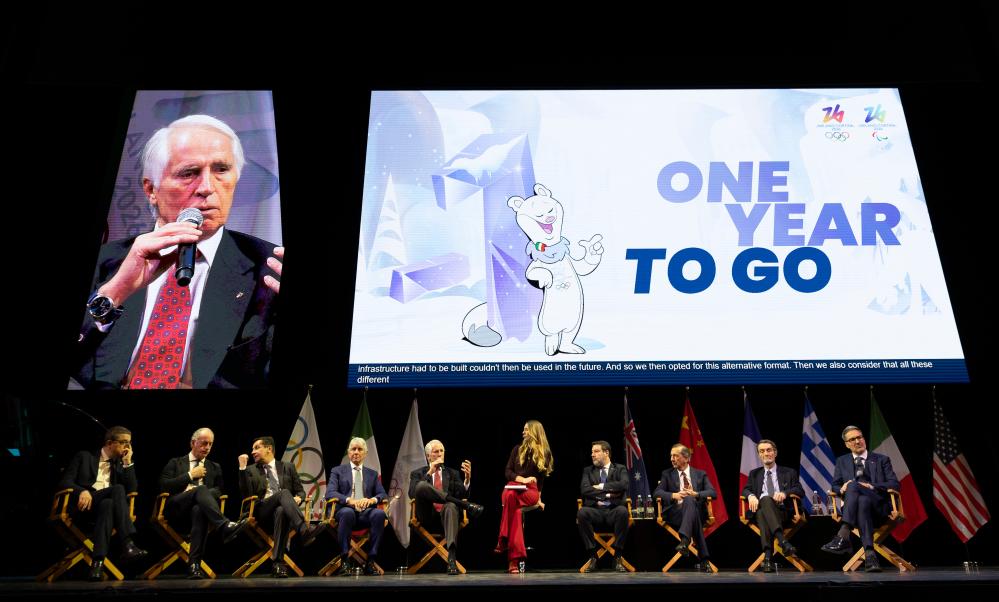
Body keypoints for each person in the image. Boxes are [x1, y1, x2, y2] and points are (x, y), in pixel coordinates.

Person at [74, 114, 283, 390]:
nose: (207, 188)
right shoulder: (105, 262)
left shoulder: (270, 269)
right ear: (151, 189)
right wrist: (115, 292)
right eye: (189, 173)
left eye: (221, 169)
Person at [56, 426, 148, 581]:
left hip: (105, 512)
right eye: (123, 442)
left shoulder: (120, 464)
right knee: (117, 488)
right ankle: (127, 543)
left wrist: (127, 463)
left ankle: (97, 565)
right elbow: (64, 482)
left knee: (108, 505)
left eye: (130, 443)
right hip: (83, 507)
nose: (127, 447)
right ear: (110, 443)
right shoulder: (84, 457)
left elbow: (132, 490)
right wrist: (82, 491)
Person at [158, 427, 247, 578]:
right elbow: (163, 485)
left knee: (199, 509)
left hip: (201, 511)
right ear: (193, 443)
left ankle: (194, 565)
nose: (207, 447)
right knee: (200, 490)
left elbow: (219, 490)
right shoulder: (175, 462)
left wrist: (201, 494)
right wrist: (189, 475)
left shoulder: (214, 467)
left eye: (210, 444)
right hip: (177, 509)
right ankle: (224, 525)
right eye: (204, 443)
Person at [238, 436, 326, 578]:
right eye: (252, 449)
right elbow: (246, 494)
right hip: (261, 512)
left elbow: (301, 491)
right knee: (284, 493)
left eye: (257, 448)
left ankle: (278, 564)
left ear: (269, 449)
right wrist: (242, 468)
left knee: (281, 510)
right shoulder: (250, 470)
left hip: (283, 512)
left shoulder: (287, 467)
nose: (252, 452)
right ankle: (304, 530)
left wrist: (299, 498)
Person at [820, 426, 899, 572]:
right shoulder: (842, 461)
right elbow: (835, 486)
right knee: (862, 501)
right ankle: (870, 556)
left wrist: (870, 486)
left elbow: (894, 484)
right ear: (847, 444)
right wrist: (842, 488)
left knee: (854, 486)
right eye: (852, 439)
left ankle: (843, 534)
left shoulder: (881, 459)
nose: (857, 441)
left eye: (859, 437)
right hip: (855, 511)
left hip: (879, 508)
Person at [407, 439, 484, 575]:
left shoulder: (452, 473)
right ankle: (467, 506)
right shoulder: (418, 473)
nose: (440, 454)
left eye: (442, 451)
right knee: (421, 486)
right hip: (427, 515)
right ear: (428, 456)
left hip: (448, 517)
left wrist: (467, 479)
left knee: (451, 505)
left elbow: (462, 494)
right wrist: (429, 473)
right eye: (436, 451)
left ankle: (452, 558)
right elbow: (412, 493)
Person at [495, 420, 554, 574]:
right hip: (513, 486)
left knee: (510, 497)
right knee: (514, 507)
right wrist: (522, 479)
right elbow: (508, 471)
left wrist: (539, 499)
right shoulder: (517, 449)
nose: (523, 432)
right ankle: (513, 560)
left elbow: (541, 480)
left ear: (534, 432)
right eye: (524, 429)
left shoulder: (544, 452)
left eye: (526, 430)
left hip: (530, 491)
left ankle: (503, 539)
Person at [325, 437, 388, 575]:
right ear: (349, 452)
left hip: (365, 513)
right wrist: (350, 500)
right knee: (347, 513)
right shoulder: (337, 471)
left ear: (365, 453)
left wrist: (371, 500)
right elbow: (330, 493)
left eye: (360, 449)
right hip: (345, 512)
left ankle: (370, 561)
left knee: (379, 514)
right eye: (353, 449)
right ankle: (345, 560)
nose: (356, 452)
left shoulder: (372, 474)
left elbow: (382, 494)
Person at [741, 439, 805, 573]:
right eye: (762, 451)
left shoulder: (788, 472)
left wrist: (785, 493)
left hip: (783, 512)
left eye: (769, 450)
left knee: (763, 507)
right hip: (762, 512)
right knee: (763, 504)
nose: (766, 453)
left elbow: (799, 490)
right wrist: (751, 496)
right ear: (759, 455)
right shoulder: (754, 473)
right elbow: (746, 490)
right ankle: (783, 542)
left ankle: (768, 557)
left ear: (775, 453)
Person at [653, 443, 716, 573]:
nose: (672, 459)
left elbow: (712, 493)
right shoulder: (667, 474)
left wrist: (696, 494)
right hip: (675, 513)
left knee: (690, 500)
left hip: (697, 512)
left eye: (675, 456)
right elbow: (657, 493)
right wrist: (674, 495)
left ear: (686, 458)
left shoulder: (700, 474)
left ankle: (684, 541)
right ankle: (704, 559)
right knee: (691, 507)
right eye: (671, 456)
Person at [578, 440, 630, 573]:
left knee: (623, 511)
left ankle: (617, 556)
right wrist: (608, 495)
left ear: (606, 453)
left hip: (613, 510)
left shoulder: (620, 468)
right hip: (595, 511)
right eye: (592, 452)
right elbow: (585, 490)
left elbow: (623, 485)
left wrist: (601, 487)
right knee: (582, 512)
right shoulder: (588, 471)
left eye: (596, 451)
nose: (592, 455)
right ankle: (593, 556)